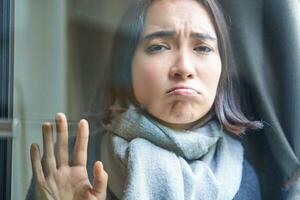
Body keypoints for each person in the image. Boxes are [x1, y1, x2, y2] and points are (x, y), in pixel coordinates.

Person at [27, 0, 264, 199]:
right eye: (159, 46)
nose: (183, 67)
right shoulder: (71, 164)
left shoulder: (242, 175)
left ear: (222, 70)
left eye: (202, 48)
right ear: (126, 65)